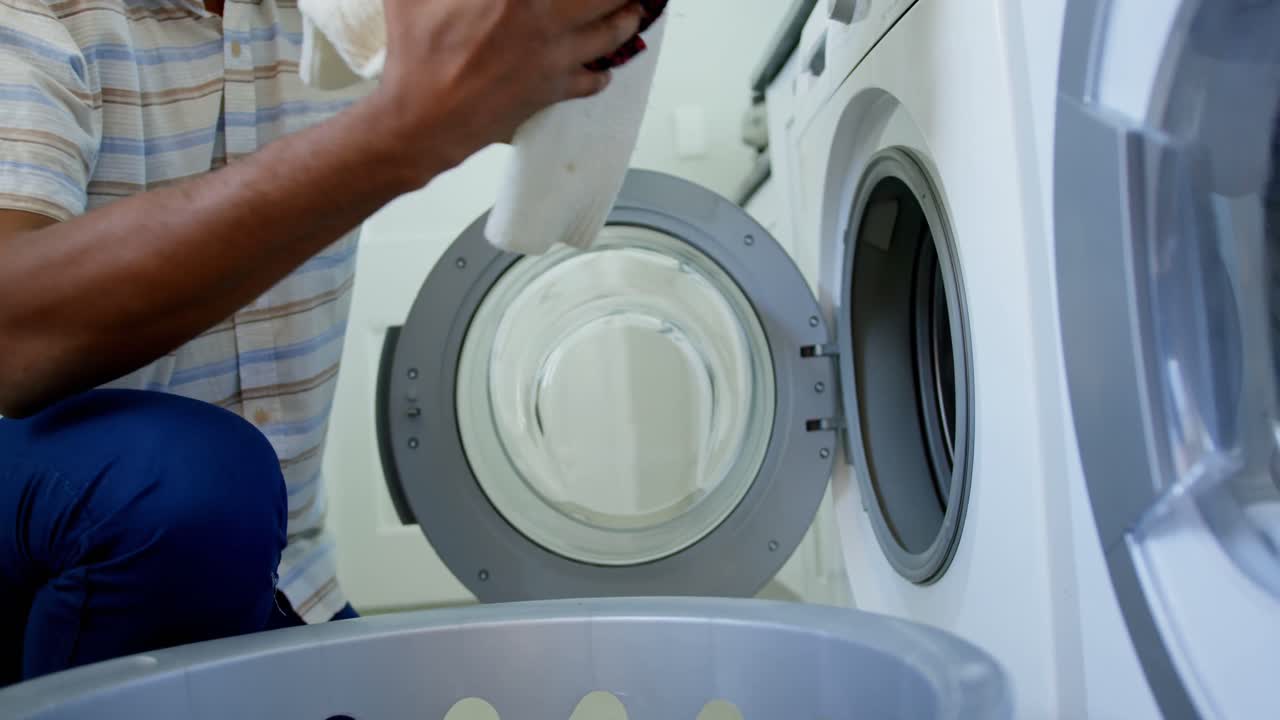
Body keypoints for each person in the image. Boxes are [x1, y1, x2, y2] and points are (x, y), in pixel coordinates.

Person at [0, 0, 648, 686]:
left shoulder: (337, 14)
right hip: (68, 535)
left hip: (279, 571)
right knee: (190, 486)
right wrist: (399, 133)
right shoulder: (40, 16)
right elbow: (11, 342)